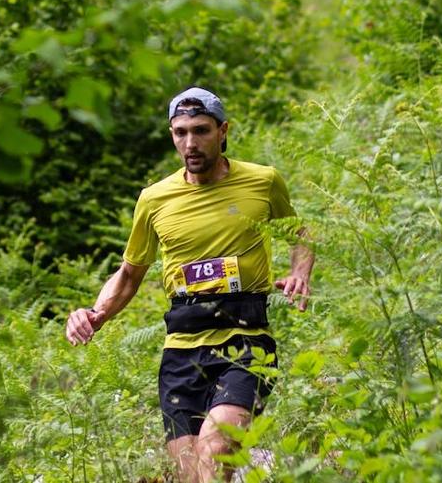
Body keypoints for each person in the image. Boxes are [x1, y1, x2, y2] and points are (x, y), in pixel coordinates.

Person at [65, 87, 314, 482]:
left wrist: (300, 271)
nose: (190, 143)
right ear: (171, 135)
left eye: (200, 130)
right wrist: (96, 314)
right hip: (181, 351)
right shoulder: (155, 199)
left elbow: (299, 233)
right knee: (189, 474)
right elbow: (130, 273)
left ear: (223, 130)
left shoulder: (263, 182)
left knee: (214, 451)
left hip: (246, 341)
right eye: (180, 132)